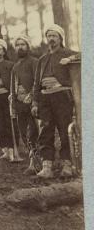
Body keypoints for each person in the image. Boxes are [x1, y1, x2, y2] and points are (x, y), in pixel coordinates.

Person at [32, 24, 80, 179]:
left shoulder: (67, 53)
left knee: (65, 129)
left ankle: (67, 164)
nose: (51, 39)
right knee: (45, 131)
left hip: (62, 97)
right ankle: (47, 166)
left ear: (60, 38)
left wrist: (71, 59)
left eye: (54, 36)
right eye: (49, 36)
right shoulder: (42, 59)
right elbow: (36, 83)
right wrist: (35, 102)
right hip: (45, 98)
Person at [10, 34, 40, 175]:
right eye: (18, 45)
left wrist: (32, 97)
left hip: (32, 103)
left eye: (23, 44)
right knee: (23, 133)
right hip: (19, 104)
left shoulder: (34, 62)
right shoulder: (15, 66)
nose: (20, 47)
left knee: (33, 132)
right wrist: (14, 103)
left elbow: (37, 81)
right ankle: (32, 160)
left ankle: (36, 162)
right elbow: (13, 86)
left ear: (28, 46)